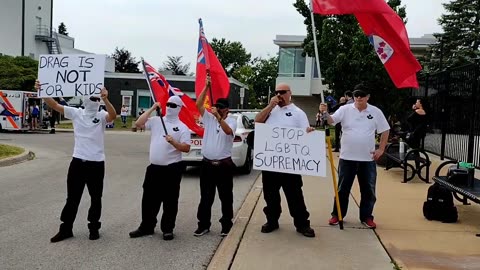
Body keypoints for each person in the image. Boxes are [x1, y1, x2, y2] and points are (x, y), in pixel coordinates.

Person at [36, 81, 117, 242]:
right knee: (72, 197)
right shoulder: (76, 113)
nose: (95, 102)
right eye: (93, 99)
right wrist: (42, 91)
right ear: (85, 99)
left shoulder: (101, 116)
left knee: (96, 198)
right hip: (78, 162)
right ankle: (66, 228)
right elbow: (54, 104)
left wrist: (106, 100)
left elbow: (113, 116)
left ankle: (94, 228)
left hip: (96, 163)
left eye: (97, 99)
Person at [320, 84, 390, 229]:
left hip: (367, 159)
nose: (358, 97)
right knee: (342, 189)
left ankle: (367, 217)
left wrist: (381, 149)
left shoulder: (375, 111)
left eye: (362, 95)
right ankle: (337, 214)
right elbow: (331, 121)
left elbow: (385, 130)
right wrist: (325, 113)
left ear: (368, 97)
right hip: (347, 158)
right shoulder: (345, 109)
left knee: (368, 190)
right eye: (356, 94)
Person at [254, 83, 316, 238]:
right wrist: (270, 106)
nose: (279, 95)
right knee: (271, 195)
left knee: (295, 195)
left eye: (282, 92)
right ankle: (272, 221)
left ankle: (302, 224)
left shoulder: (298, 113)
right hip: (271, 163)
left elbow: (305, 134)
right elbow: (257, 121)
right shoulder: (271, 111)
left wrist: (310, 133)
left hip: (290, 164)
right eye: (276, 92)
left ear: (290, 93)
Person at [129, 96, 191, 241]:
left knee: (170, 200)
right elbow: (138, 124)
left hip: (172, 169)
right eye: (168, 104)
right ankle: (146, 226)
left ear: (179, 108)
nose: (169, 107)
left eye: (173, 105)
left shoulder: (182, 127)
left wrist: (174, 142)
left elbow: (186, 148)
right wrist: (152, 108)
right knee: (149, 199)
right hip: (154, 169)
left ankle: (168, 228)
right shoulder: (157, 121)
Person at [194, 77, 237, 237]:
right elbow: (198, 105)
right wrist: (206, 88)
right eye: (216, 107)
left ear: (227, 110)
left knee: (226, 197)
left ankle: (226, 224)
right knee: (206, 196)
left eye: (221, 108)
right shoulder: (209, 119)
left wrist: (219, 118)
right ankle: (203, 224)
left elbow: (227, 131)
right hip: (207, 164)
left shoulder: (231, 121)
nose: (217, 109)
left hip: (224, 165)